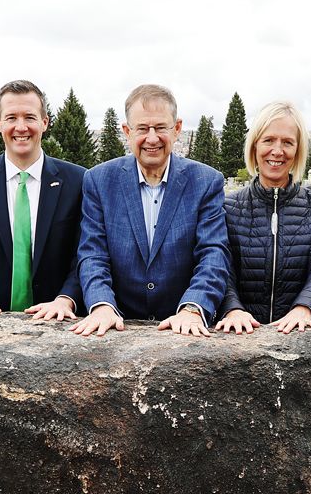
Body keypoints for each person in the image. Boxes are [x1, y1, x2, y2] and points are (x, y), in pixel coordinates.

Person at [72, 84, 231, 338]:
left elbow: (213, 253)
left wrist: (192, 308)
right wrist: (102, 305)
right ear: (127, 131)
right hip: (118, 323)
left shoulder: (205, 181)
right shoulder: (99, 181)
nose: (152, 138)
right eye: (143, 129)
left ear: (177, 129)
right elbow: (93, 254)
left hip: (182, 325)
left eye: (161, 128)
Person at [0, 80, 85, 323]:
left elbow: (84, 253)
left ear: (44, 122)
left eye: (30, 117)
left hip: (59, 320)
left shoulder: (78, 180)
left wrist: (66, 298)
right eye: (11, 118)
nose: (21, 127)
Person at [215, 101, 311, 335]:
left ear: (298, 150)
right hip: (238, 332)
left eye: (287, 142)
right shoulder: (228, 207)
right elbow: (217, 264)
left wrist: (305, 306)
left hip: (300, 332)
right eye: (268, 140)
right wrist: (231, 308)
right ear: (255, 145)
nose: (277, 151)